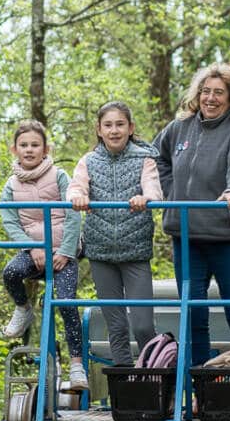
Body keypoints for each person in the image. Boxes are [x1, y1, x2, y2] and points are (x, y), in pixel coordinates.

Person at [153, 63, 230, 367]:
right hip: (187, 238)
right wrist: (170, 191)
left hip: (229, 238)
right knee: (194, 313)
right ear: (197, 94)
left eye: (218, 93)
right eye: (206, 91)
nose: (210, 98)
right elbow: (155, 159)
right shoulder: (179, 129)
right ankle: (199, 392)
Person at [68, 101, 163, 366]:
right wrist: (79, 197)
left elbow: (154, 189)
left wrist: (145, 198)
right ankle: (126, 379)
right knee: (117, 326)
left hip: (135, 251)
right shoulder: (89, 160)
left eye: (120, 124)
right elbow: (77, 187)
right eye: (108, 125)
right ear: (99, 129)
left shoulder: (144, 158)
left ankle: (152, 375)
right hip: (101, 253)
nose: (114, 131)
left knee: (143, 325)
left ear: (130, 128)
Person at [0, 119, 87, 389]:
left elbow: (73, 214)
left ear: (46, 148)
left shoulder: (59, 175)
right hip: (34, 250)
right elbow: (9, 220)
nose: (29, 149)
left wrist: (66, 251)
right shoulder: (11, 185)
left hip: (64, 251)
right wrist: (30, 247)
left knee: (66, 302)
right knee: (11, 272)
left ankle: (76, 365)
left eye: (35, 145)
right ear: (14, 149)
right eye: (23, 145)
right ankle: (23, 309)